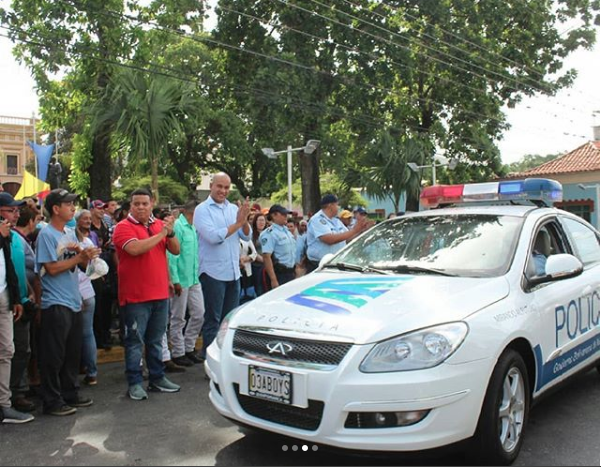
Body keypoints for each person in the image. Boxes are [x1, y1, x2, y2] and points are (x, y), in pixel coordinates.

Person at [112, 188, 181, 401]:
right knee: (134, 341)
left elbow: (176, 250)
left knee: (155, 340)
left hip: (160, 293)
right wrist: (162, 232)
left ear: (152, 203)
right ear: (130, 206)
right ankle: (134, 382)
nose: (141, 207)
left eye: (144, 203)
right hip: (135, 296)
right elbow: (135, 249)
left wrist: (169, 233)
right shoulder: (122, 227)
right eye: (136, 204)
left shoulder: (159, 226)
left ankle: (157, 378)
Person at [36, 188, 100, 416]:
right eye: (68, 204)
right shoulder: (47, 235)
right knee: (54, 355)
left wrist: (88, 257)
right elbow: (50, 268)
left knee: (73, 352)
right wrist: (78, 257)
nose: (73, 208)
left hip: (73, 299)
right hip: (55, 302)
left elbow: (78, 265)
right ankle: (52, 401)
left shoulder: (71, 233)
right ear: (55, 209)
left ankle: (70, 393)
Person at [193, 173, 251, 358]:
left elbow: (246, 236)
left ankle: (226, 359)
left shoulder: (233, 208)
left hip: (233, 272)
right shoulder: (202, 210)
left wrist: (245, 220)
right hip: (212, 273)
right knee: (213, 320)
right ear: (211, 186)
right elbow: (214, 237)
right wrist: (239, 222)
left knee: (230, 321)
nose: (223, 191)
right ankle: (210, 360)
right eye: (219, 186)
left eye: (227, 188)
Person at [0, 193, 37, 414]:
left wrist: (21, 296)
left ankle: (9, 399)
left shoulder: (13, 237)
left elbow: (13, 270)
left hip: (9, 298)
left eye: (16, 211)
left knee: (11, 350)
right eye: (11, 211)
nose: (16, 215)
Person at [167, 201, 205, 367]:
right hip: (181, 280)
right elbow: (172, 256)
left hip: (193, 278)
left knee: (199, 313)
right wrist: (175, 280)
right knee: (178, 317)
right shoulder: (178, 226)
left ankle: (189, 347)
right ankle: (178, 352)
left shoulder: (193, 227)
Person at [306, 195, 371, 273]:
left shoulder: (336, 221)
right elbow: (329, 239)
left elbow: (347, 239)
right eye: (337, 205)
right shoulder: (317, 220)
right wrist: (354, 230)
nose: (338, 207)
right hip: (319, 265)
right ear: (330, 206)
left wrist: (360, 230)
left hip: (335, 264)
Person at [74, 210, 99, 386]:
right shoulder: (88, 242)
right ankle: (91, 372)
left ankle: (84, 370)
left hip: (77, 293)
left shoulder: (68, 244)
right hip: (88, 291)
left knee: (76, 335)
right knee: (88, 333)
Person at [261, 205, 297, 289]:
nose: (286, 217)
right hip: (279, 274)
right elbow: (267, 257)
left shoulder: (287, 231)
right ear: (274, 215)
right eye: (283, 214)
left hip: (290, 272)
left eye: (286, 214)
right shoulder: (270, 233)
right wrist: (273, 279)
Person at [250, 213, 267, 296]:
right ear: (255, 222)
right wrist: (264, 260)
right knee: (259, 288)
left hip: (268, 265)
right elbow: (251, 251)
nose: (261, 222)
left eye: (263, 220)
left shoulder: (268, 233)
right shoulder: (251, 235)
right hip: (257, 266)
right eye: (259, 220)